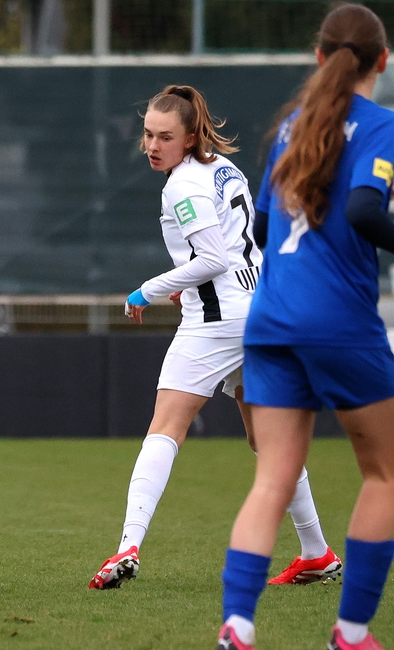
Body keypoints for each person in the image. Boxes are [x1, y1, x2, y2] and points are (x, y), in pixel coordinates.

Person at [89, 85, 339, 590]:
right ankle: (316, 553)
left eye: (165, 137)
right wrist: (189, 282)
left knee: (165, 427)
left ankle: (127, 546)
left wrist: (147, 290)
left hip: (218, 322)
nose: (153, 146)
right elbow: (230, 247)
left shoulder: (182, 186)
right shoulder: (223, 168)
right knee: (265, 439)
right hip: (261, 312)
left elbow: (214, 259)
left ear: (189, 137)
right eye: (147, 135)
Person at [217, 5, 394, 649]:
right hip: (337, 321)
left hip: (270, 316)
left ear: (319, 58)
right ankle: (350, 633)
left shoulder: (292, 125)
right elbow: (367, 210)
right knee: (385, 474)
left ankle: (236, 628)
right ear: (383, 60)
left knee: (272, 480)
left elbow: (261, 231)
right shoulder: (381, 125)